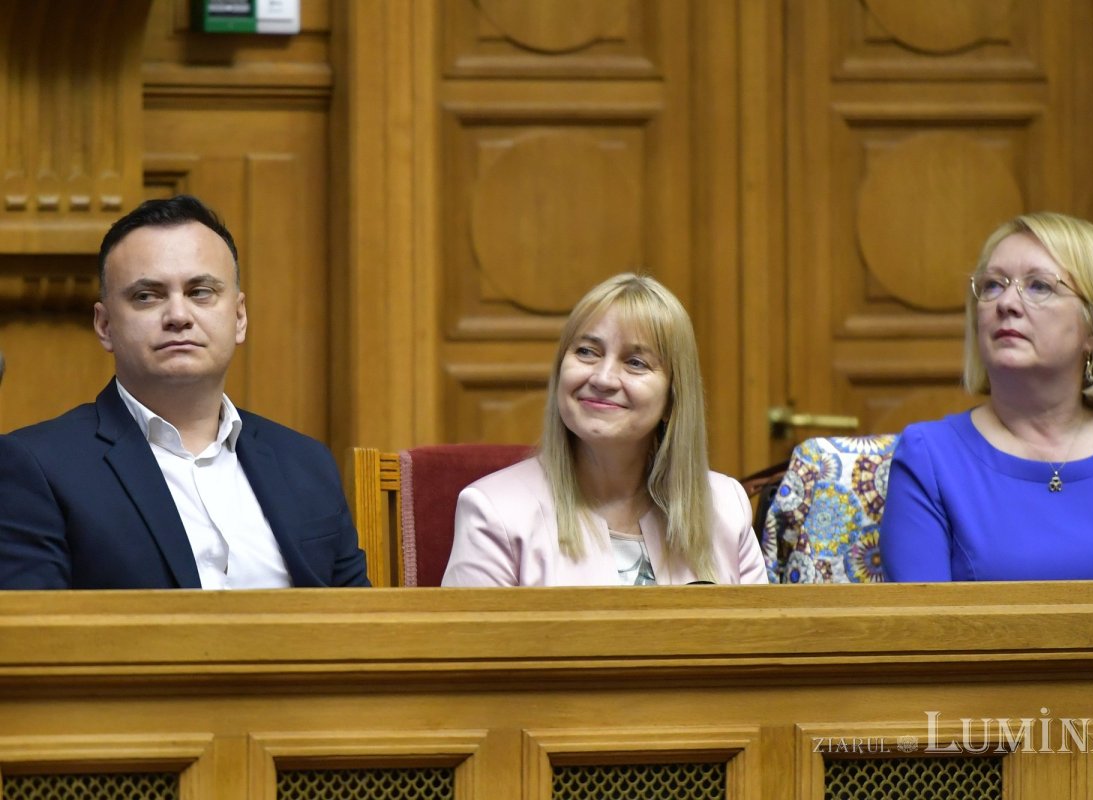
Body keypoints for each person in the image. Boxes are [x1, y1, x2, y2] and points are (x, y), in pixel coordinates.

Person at [0, 195, 369, 589]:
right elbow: (37, 640)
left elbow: (360, 629)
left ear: (239, 317)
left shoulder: (306, 463)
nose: (178, 316)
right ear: (105, 325)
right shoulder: (36, 466)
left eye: (200, 292)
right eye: (147, 296)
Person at [881, 211, 1093, 581]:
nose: (1006, 303)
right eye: (992, 285)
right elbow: (920, 632)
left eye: (1039, 287)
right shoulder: (928, 457)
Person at [442, 273, 769, 586]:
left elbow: (757, 643)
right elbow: (469, 645)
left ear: (673, 398)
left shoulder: (725, 506)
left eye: (636, 362)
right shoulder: (495, 513)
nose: (602, 378)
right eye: (587, 352)